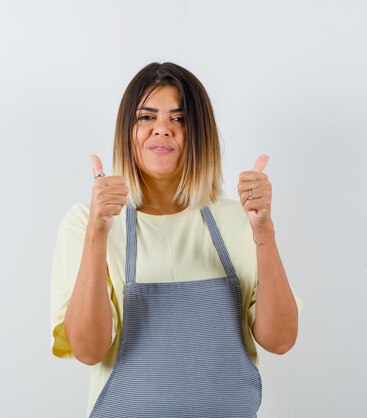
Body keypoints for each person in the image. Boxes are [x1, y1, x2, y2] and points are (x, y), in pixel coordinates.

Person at [50, 62, 301, 417]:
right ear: (127, 131)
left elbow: (281, 340)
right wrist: (97, 235)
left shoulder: (237, 221)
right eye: (146, 117)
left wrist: (264, 234)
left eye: (179, 119)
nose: (162, 130)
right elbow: (88, 350)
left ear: (201, 133)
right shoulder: (85, 224)